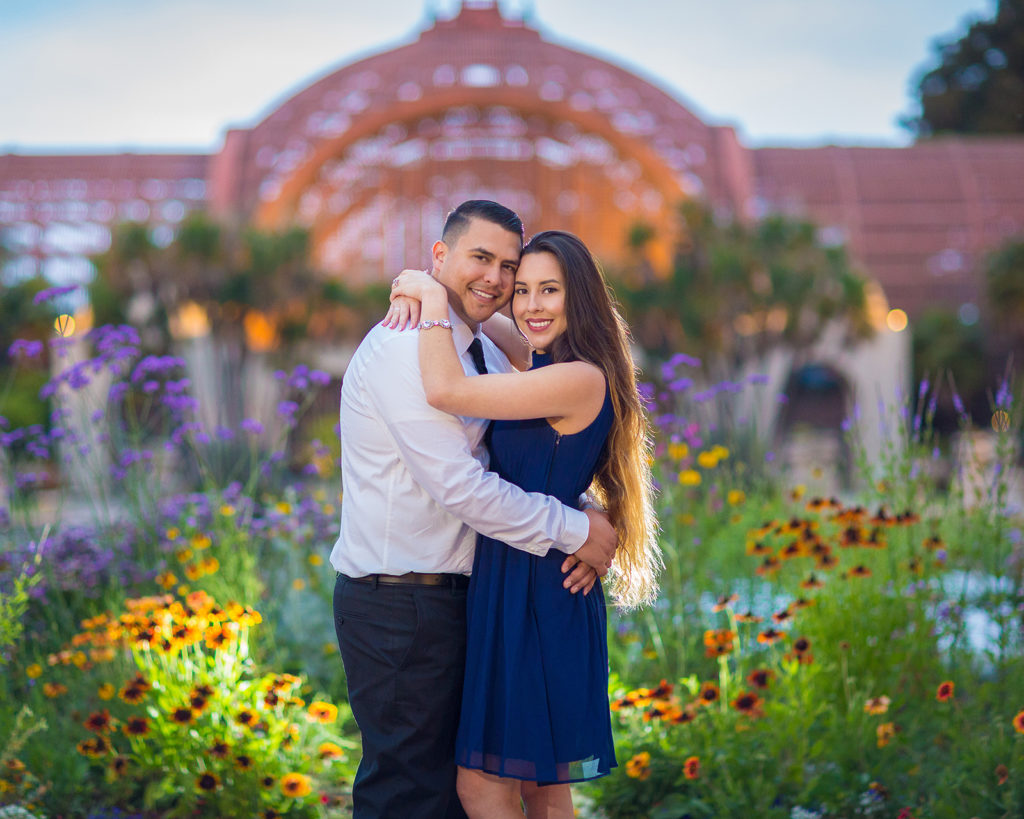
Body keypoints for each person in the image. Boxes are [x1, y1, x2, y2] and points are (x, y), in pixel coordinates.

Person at [330, 200, 619, 819]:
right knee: (411, 791)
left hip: (478, 596)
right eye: (480, 258)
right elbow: (463, 486)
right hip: (400, 604)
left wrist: (581, 510)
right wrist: (575, 529)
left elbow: (533, 453)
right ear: (441, 256)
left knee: (491, 788)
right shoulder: (408, 347)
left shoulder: (482, 348)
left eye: (508, 268)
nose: (497, 280)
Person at [389, 229, 660, 818]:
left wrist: (430, 302)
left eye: (551, 291)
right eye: (524, 289)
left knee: (483, 786)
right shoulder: (546, 362)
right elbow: (485, 318)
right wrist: (420, 281)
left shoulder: (577, 377)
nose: (532, 305)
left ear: (580, 296)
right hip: (526, 581)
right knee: (543, 787)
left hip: (537, 593)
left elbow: (445, 388)